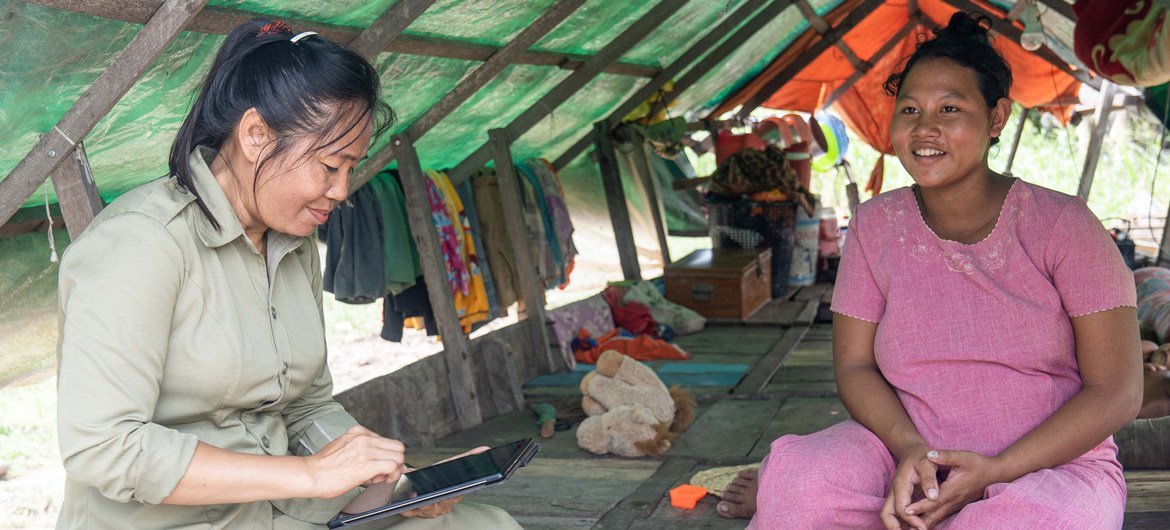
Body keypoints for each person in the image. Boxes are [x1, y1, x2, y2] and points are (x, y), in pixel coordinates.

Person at [55, 19, 520, 529]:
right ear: (256, 135)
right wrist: (308, 476)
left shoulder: (293, 241)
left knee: (484, 523)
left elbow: (306, 407)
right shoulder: (139, 243)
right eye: (329, 166)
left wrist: (389, 484)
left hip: (284, 514)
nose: (343, 190)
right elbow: (105, 447)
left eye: (351, 169)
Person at [717, 12, 1143, 529]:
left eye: (950, 108)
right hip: (901, 452)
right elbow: (855, 367)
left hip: (1047, 464)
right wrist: (909, 448)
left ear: (997, 117)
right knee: (799, 491)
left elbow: (1117, 391)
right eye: (910, 109)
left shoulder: (1064, 226)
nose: (925, 129)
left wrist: (995, 471)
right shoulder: (876, 225)